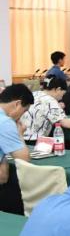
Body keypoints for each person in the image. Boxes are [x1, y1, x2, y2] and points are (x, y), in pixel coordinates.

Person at [0, 84, 33, 215]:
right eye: (24, 111)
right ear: (17, 104)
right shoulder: (5, 122)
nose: (21, 116)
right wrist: (20, 134)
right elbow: (24, 159)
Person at [22, 75, 70, 143]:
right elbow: (67, 124)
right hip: (36, 142)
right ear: (58, 89)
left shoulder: (33, 94)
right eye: (63, 94)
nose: (62, 97)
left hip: (21, 139)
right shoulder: (51, 101)